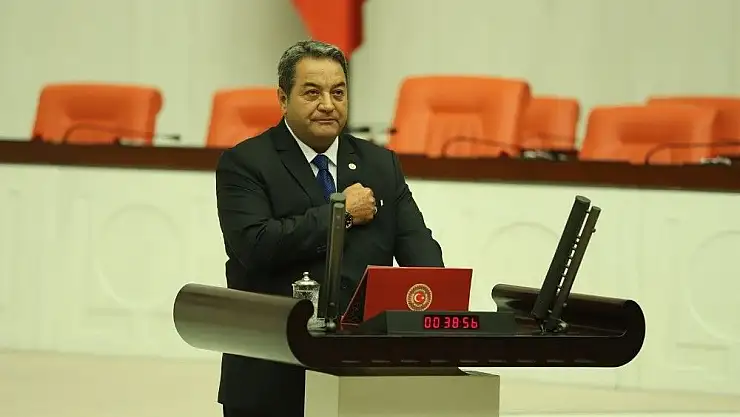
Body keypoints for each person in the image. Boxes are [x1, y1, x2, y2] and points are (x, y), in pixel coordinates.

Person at [214, 40, 444, 417]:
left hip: (362, 373)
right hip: (271, 375)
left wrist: (438, 303)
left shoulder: (381, 165)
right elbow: (256, 246)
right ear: (283, 98)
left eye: (338, 92)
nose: (327, 104)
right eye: (312, 92)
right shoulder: (245, 163)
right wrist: (341, 214)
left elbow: (420, 253)